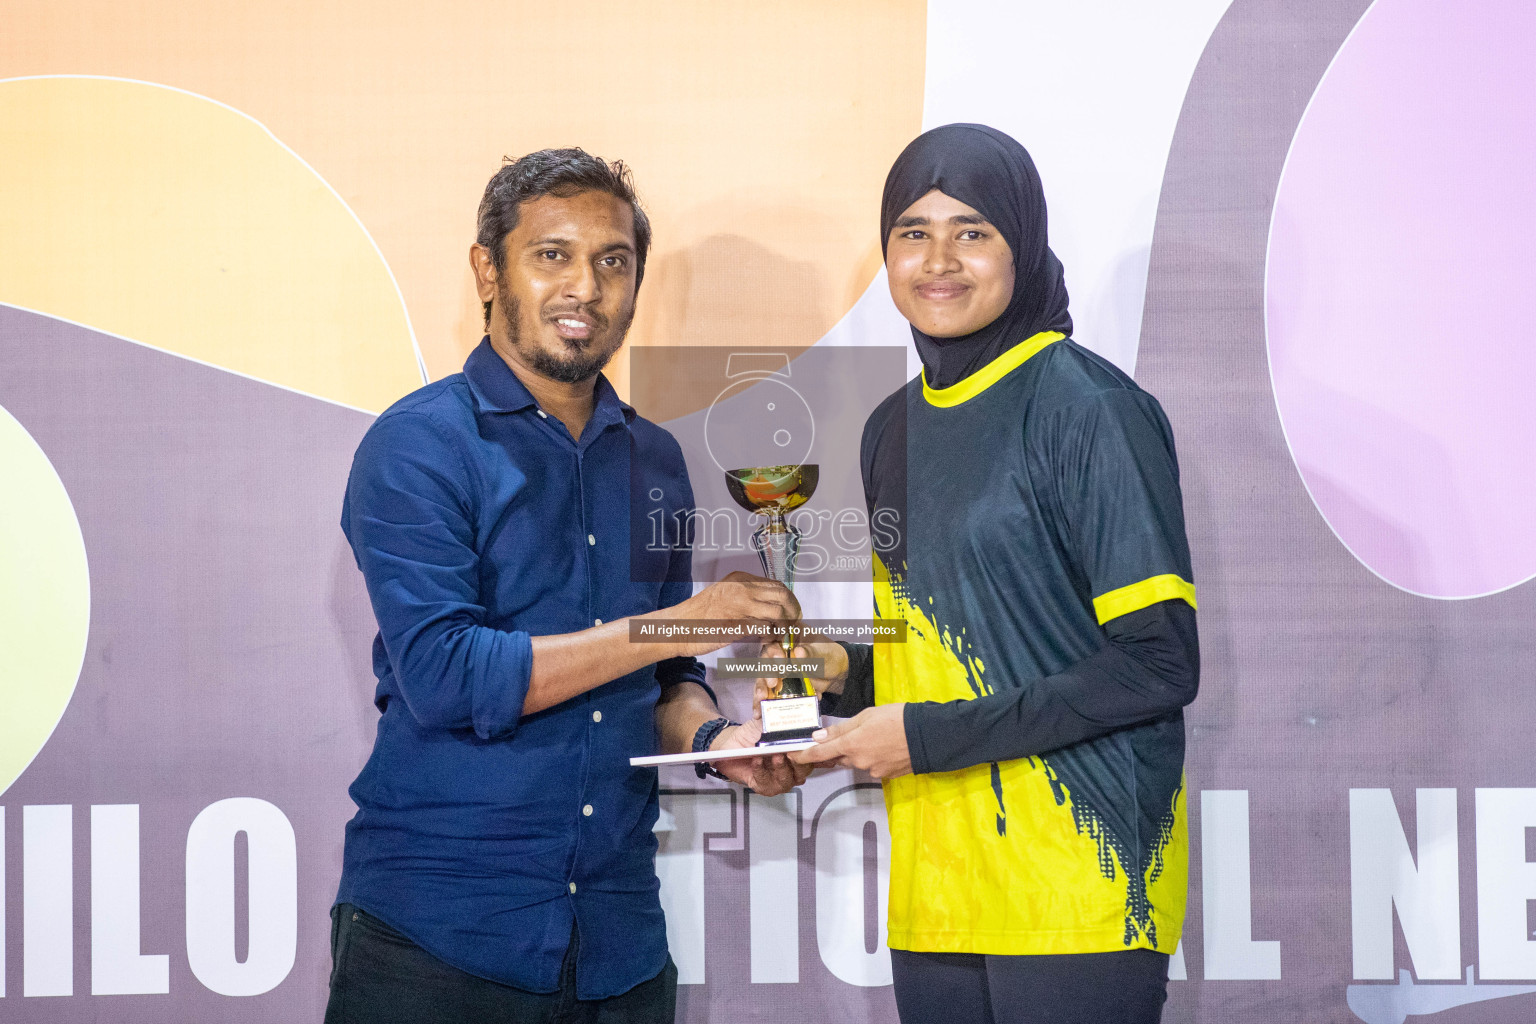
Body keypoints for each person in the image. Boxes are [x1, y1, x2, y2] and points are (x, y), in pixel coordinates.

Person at [326, 148, 807, 1024]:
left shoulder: (654, 458)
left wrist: (714, 741)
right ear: (488, 269)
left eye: (612, 261)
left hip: (616, 945)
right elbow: (446, 673)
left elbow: (661, 681)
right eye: (552, 255)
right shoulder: (418, 446)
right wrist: (682, 624)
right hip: (438, 939)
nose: (585, 286)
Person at [788, 124, 1200, 1024]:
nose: (939, 259)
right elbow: (959, 647)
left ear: (1022, 241)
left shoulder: (1089, 408)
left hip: (1076, 888)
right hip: (937, 883)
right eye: (912, 231)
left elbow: (1158, 664)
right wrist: (834, 673)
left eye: (972, 231)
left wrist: (922, 739)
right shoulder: (890, 427)